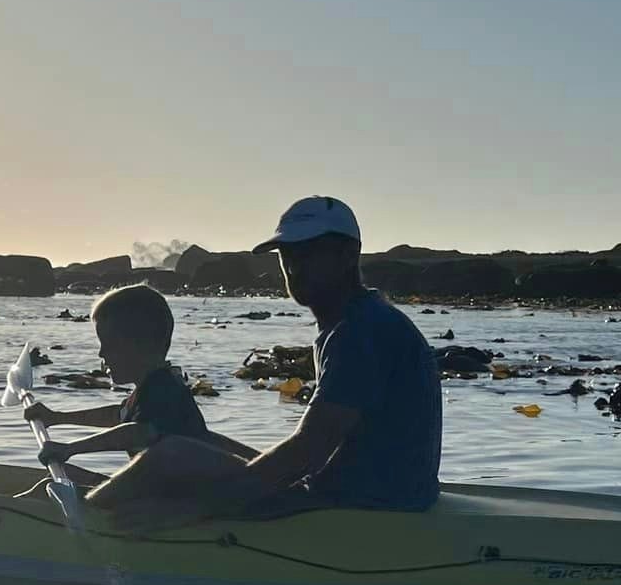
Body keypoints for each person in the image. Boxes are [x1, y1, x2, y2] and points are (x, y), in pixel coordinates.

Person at [104, 196, 442, 523]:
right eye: (288, 255)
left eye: (309, 254)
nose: (294, 267)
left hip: (364, 504)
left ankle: (91, 522)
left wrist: (200, 507)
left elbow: (309, 448)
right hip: (382, 490)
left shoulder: (360, 331)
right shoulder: (361, 318)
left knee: (169, 456)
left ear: (347, 255)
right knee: (194, 445)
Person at [20, 283, 244, 512]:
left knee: (48, 490)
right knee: (63, 475)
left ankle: (5, 515)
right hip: (148, 492)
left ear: (141, 345)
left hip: (172, 505)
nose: (101, 353)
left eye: (109, 344)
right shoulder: (149, 388)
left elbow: (136, 432)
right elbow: (117, 416)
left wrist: (70, 448)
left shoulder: (164, 389)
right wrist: (57, 417)